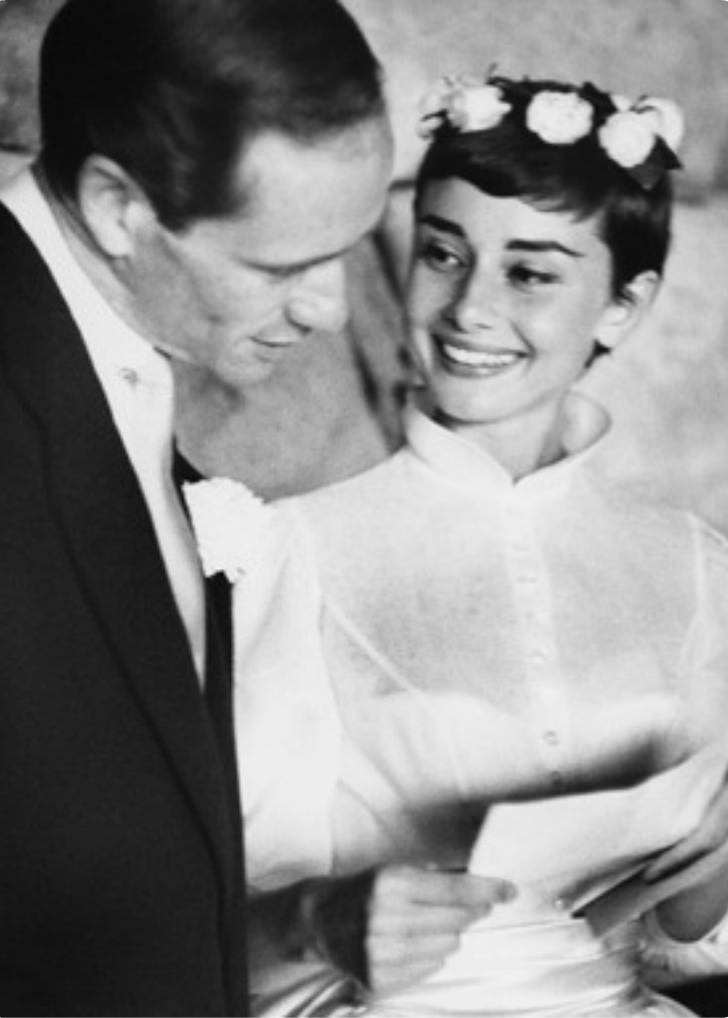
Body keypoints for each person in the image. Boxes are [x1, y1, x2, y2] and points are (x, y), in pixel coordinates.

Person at [0, 0, 510, 1013]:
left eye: (353, 247)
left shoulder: (107, 370)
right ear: (116, 206)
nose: (328, 307)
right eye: (283, 264)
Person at [184, 75, 728, 1015]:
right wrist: (329, 920)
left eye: (530, 272)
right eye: (444, 253)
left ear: (622, 307)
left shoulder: (697, 565)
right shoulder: (290, 553)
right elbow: (211, 939)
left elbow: (676, 943)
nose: (470, 308)